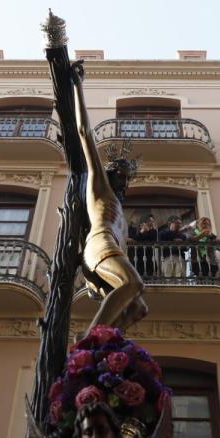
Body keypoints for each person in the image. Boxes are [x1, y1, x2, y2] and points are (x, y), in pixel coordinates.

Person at [72, 63, 148, 333]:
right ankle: (91, 342)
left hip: (110, 247)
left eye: (127, 177)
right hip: (100, 244)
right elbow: (85, 134)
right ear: (110, 173)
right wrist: (77, 87)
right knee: (133, 284)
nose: (124, 180)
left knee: (138, 307)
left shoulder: (121, 215)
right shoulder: (99, 187)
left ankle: (105, 342)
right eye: (121, 173)